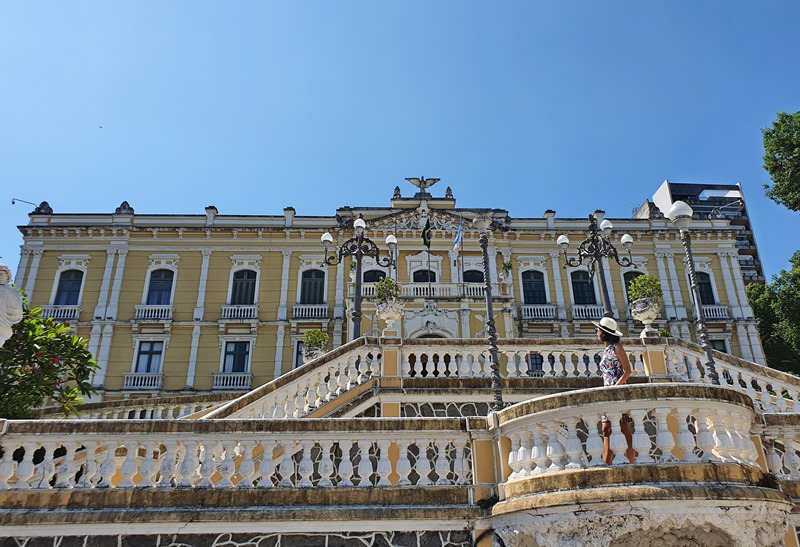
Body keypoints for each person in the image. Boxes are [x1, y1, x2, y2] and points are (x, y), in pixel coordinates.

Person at [592, 317, 633, 464]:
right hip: (608, 391)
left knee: (624, 429)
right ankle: (606, 465)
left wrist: (616, 387)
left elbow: (628, 370)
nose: (596, 332)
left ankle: (631, 463)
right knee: (606, 430)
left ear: (604, 332)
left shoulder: (617, 347)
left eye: (598, 329)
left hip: (618, 391)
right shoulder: (606, 349)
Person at [0, 264, 24, 348]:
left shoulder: (13, 292)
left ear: (8, 276)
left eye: (1, 274)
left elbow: (16, 312)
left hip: (2, 325)